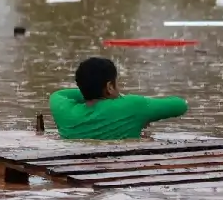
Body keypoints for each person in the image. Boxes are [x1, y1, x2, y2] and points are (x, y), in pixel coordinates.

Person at [49, 57, 188, 140]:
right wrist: (122, 98)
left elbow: (59, 94)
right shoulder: (132, 106)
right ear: (110, 86)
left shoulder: (64, 111)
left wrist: (89, 91)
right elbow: (180, 105)